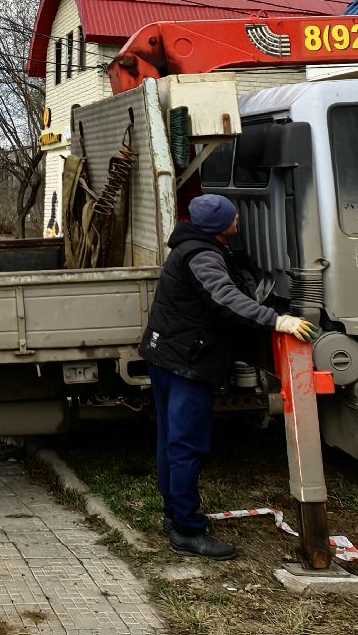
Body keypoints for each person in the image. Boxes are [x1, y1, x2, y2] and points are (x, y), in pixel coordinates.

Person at [141, 193, 318, 560]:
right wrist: (277, 320)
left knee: (171, 441)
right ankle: (186, 531)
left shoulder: (192, 246)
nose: (239, 220)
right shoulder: (203, 255)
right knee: (187, 445)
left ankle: (175, 517)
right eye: (235, 217)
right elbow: (224, 298)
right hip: (186, 362)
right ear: (222, 227)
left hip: (169, 357)